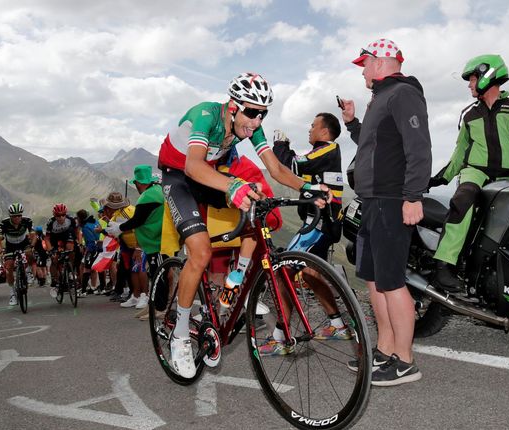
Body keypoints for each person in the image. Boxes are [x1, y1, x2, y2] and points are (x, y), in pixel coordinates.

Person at [157, 72, 327, 378]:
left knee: (257, 203)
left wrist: (306, 187)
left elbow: (275, 168)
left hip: (208, 174)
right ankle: (180, 335)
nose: (257, 121)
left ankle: (236, 277)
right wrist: (231, 187)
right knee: (200, 251)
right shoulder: (206, 115)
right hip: (179, 175)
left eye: (263, 114)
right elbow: (192, 165)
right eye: (251, 112)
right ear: (233, 106)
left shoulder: (250, 126)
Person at [340, 38, 432, 386]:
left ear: (381, 61)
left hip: (393, 200)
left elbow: (419, 146)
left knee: (392, 281)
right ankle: (384, 351)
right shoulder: (380, 98)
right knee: (375, 279)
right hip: (373, 200)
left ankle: (405, 362)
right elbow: (373, 143)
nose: (362, 69)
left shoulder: (403, 93)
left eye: (364, 62)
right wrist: (351, 123)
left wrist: (413, 196)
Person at [429, 54, 509, 292]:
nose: (469, 85)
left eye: (472, 79)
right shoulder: (468, 113)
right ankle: (443, 264)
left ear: (488, 76)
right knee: (463, 198)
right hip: (475, 172)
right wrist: (440, 178)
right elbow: (460, 152)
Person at [265, 113, 351, 353]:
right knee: (311, 274)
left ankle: (280, 339)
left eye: (313, 126)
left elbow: (294, 164)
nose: (309, 129)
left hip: (318, 224)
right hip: (325, 223)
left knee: (284, 273)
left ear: (325, 132)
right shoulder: (325, 154)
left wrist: (281, 145)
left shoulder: (328, 148)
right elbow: (298, 174)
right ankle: (338, 325)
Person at [106, 165, 165, 318]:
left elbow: (137, 221)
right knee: (155, 273)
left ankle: (160, 307)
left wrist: (120, 228)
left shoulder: (148, 196)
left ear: (139, 182)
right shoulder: (156, 191)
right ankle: (155, 305)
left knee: (158, 274)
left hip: (156, 241)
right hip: (153, 239)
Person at [0, 203, 35, 306]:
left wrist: (32, 244)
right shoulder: (4, 223)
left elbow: (33, 235)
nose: (17, 218)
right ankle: (12, 292)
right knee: (9, 266)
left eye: (19, 215)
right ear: (10, 216)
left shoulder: (27, 221)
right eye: (14, 216)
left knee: (29, 253)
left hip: (24, 243)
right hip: (10, 246)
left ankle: (28, 271)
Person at [45, 203, 78, 294]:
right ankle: (54, 280)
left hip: (66, 236)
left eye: (63, 215)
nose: (61, 217)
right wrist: (50, 250)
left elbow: (77, 231)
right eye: (58, 215)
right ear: (54, 215)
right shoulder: (51, 223)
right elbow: (47, 239)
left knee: (71, 248)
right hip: (55, 239)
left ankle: (70, 271)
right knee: (54, 258)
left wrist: (79, 242)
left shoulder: (70, 219)